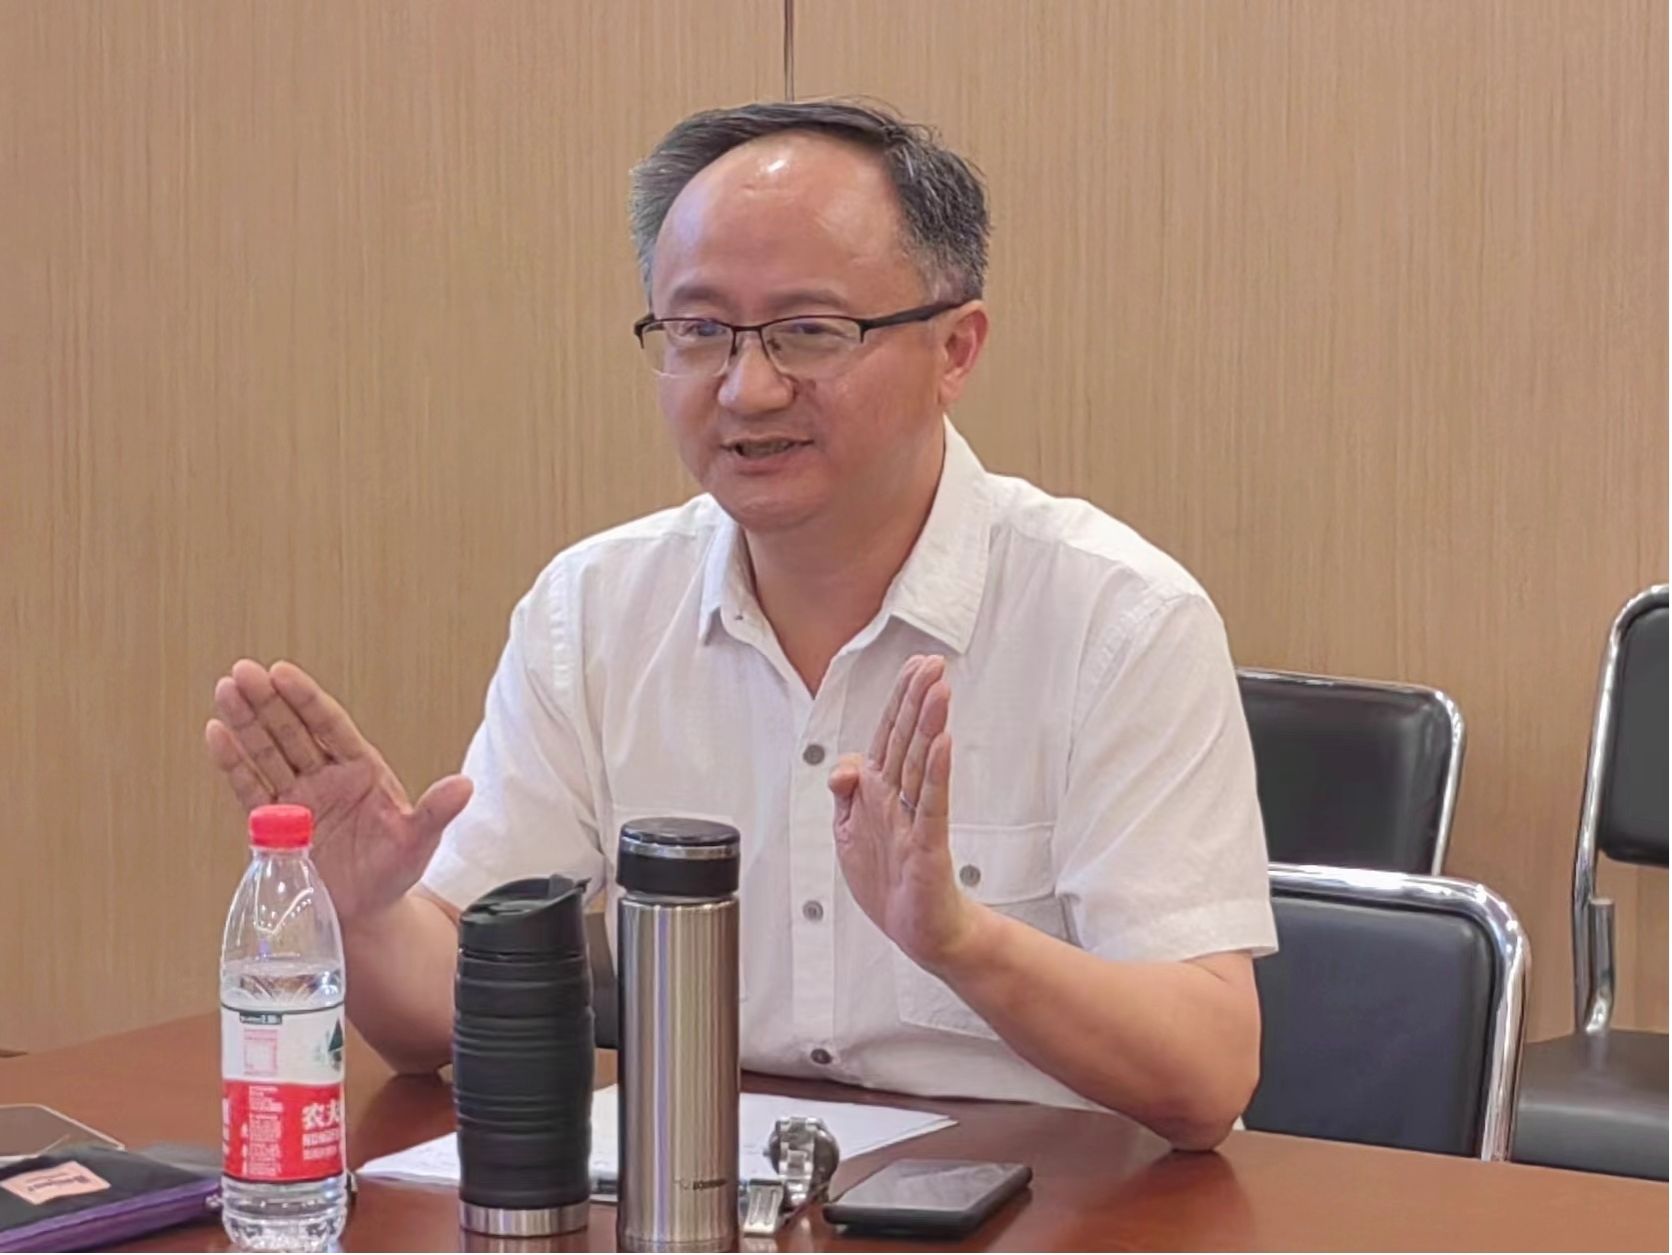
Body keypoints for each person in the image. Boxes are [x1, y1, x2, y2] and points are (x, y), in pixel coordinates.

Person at [205, 100, 1275, 1151]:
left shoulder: (1118, 620)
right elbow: (441, 1015)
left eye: (809, 332)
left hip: (1045, 1205)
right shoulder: (595, 610)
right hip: (693, 1195)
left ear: (956, 348)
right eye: (700, 332)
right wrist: (359, 911)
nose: (748, 389)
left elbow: (1207, 1073)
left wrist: (960, 940)